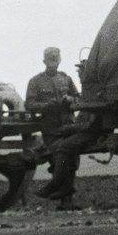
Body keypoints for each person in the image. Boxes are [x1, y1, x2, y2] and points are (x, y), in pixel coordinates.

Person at [26, 47, 80, 205]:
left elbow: (79, 98)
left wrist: (70, 100)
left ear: (59, 61)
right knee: (58, 158)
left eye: (55, 61)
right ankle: (65, 200)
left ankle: (68, 200)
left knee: (73, 163)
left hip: (69, 127)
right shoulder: (35, 81)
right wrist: (46, 105)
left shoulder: (66, 78)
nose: (52, 64)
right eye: (49, 61)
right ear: (44, 62)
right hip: (51, 130)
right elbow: (29, 104)